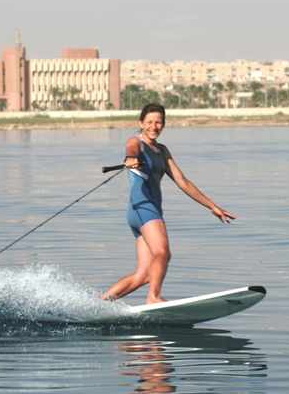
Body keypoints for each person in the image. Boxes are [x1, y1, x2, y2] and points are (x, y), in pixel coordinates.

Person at [101, 103, 236, 304]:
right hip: (143, 207)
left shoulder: (162, 151)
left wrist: (212, 206)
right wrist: (130, 158)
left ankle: (97, 304)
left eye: (158, 122)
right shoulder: (136, 142)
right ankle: (153, 297)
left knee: (144, 275)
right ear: (141, 123)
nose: (154, 126)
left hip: (144, 212)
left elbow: (183, 182)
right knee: (162, 252)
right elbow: (131, 149)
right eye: (149, 122)